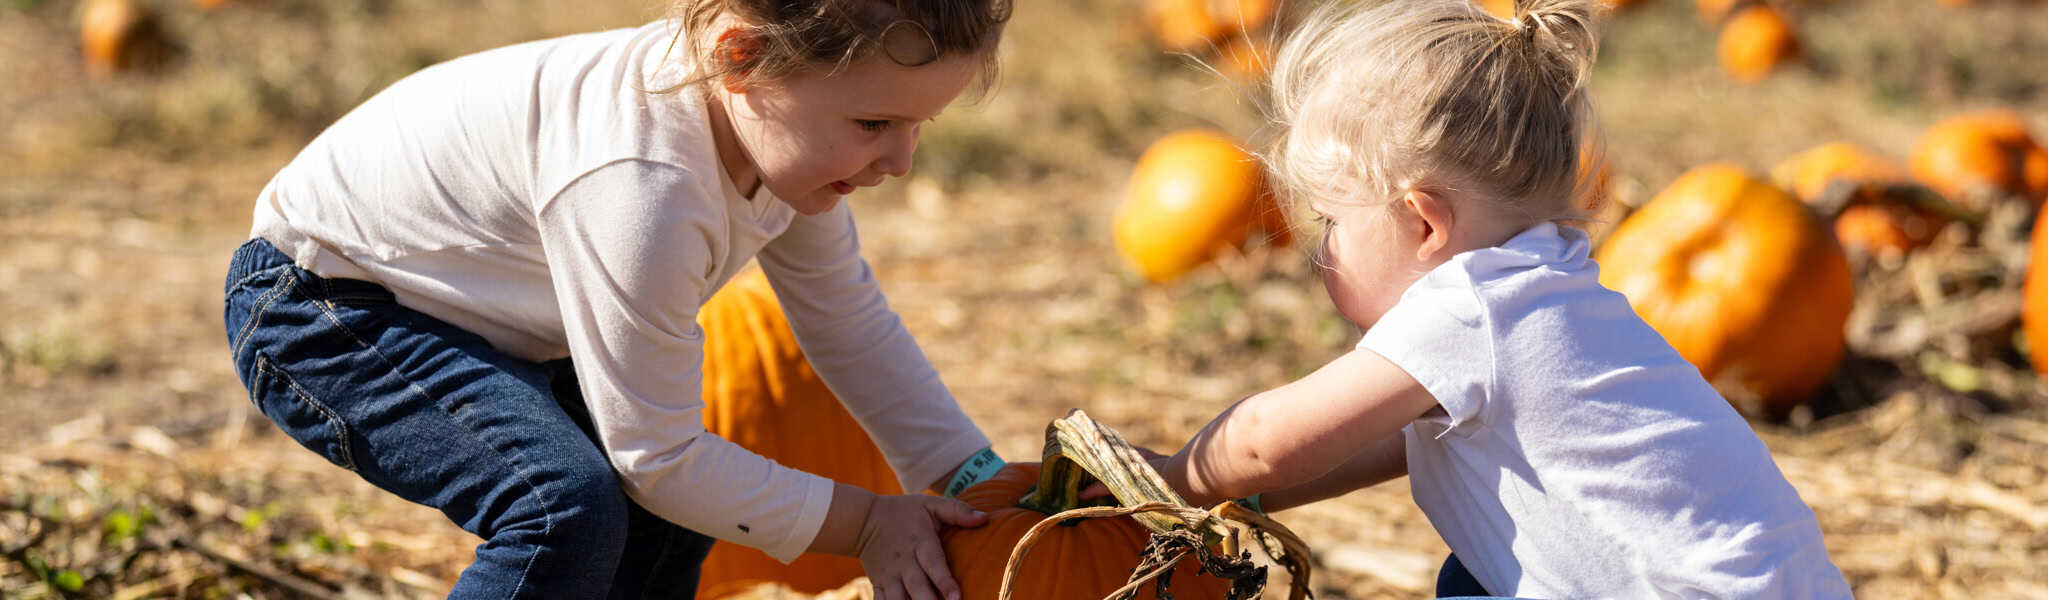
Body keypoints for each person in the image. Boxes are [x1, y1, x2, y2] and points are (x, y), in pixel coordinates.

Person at [219, 1, 1014, 598]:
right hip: (323, 303)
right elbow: (658, 457)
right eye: (875, 122)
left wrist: (977, 480)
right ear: (742, 58)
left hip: (465, 312)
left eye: (918, 125)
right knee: (561, 507)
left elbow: (849, 325)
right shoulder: (644, 183)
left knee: (674, 516)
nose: (901, 161)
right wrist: (867, 523)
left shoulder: (780, 141)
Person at [1129, 0, 1853, 597]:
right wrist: (1237, 497)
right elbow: (1375, 442)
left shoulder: (1469, 308)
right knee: (1478, 569)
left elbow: (1265, 442)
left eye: (1331, 222)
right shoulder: (1544, 287)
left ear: (1423, 222)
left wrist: (1161, 482)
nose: (1321, 250)